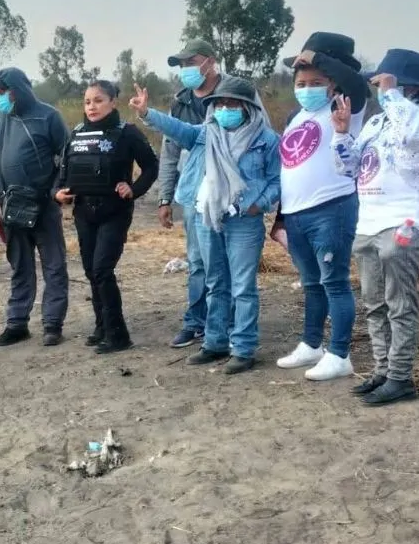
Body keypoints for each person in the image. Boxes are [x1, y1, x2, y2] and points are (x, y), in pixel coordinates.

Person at [134, 77, 281, 373]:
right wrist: (147, 112)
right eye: (220, 103)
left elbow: (278, 181)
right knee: (215, 282)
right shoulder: (205, 134)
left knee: (243, 286)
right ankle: (214, 342)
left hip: (244, 221)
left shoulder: (266, 140)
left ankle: (243, 348)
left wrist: (258, 205)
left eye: (232, 104)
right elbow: (177, 129)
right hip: (208, 216)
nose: (225, 109)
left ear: (248, 107)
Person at [332, 49, 419, 405]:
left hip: (405, 220)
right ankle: (383, 370)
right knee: (374, 303)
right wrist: (341, 136)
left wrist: (391, 93)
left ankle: (401, 377)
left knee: (399, 303)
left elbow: (412, 135)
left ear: (405, 87)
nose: (378, 90)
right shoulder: (376, 122)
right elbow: (351, 167)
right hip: (369, 220)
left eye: (384, 81)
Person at [273, 32, 371, 381]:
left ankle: (340, 353)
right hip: (297, 214)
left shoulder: (346, 108)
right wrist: (283, 217)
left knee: (335, 282)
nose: (306, 87)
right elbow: (290, 167)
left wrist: (315, 56)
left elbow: (356, 83)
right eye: (301, 82)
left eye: (316, 81)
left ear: (332, 84)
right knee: (311, 282)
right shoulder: (296, 118)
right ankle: (312, 344)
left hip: (332, 208)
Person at [53, 79, 159, 353]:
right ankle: (101, 326)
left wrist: (133, 189)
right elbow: (62, 174)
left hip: (115, 212)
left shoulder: (127, 133)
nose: (92, 106)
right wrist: (58, 194)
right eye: (87, 102)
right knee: (91, 271)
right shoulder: (75, 134)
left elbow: (151, 167)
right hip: (84, 213)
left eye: (98, 100)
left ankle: (118, 335)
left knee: (102, 269)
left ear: (113, 102)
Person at [0, 67, 70, 346]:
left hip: (44, 206)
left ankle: (52, 323)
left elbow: (66, 156)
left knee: (53, 265)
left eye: (2, 91)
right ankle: (17, 322)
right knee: (20, 266)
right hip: (11, 208)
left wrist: (55, 190)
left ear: (18, 89)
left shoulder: (49, 116)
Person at [163, 38, 237, 348]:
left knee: (228, 260)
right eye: (182, 65)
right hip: (193, 193)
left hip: (230, 193)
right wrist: (165, 197)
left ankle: (229, 322)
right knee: (197, 261)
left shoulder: (234, 92)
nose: (185, 70)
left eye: (190, 62)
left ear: (209, 61)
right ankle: (196, 321)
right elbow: (169, 151)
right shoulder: (180, 102)